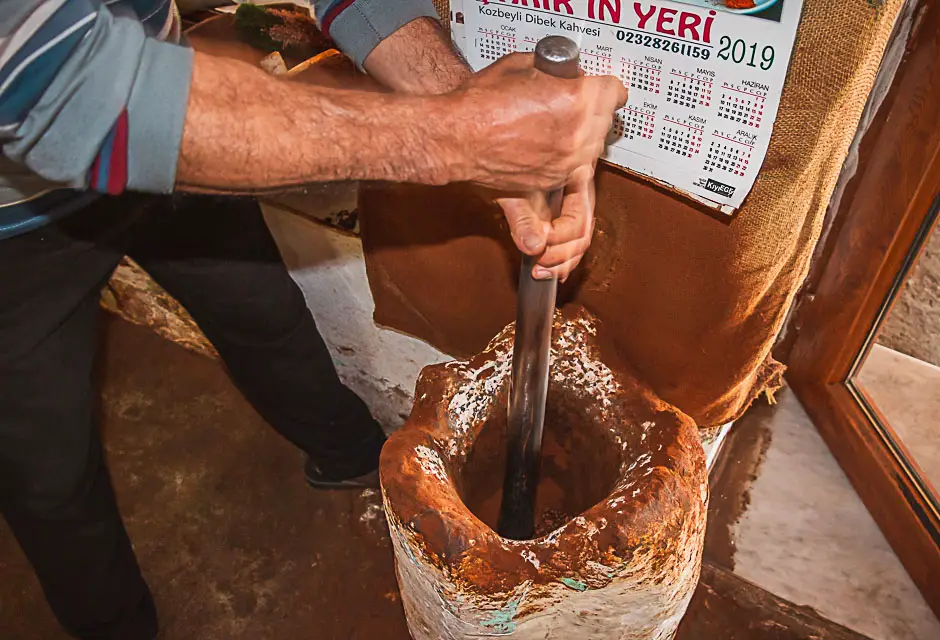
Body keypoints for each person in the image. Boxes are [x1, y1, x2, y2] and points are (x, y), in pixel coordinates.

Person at [0, 1, 626, 637]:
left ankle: (346, 453)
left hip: (171, 98)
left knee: (265, 318)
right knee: (46, 465)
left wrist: (491, 133)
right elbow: (57, 87)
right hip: (16, 226)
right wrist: (455, 137)